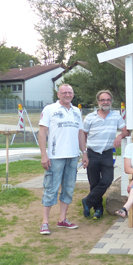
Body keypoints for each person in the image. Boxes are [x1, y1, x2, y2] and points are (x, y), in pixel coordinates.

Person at [38, 84, 88, 235]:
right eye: (64, 92)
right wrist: (43, 155)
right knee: (51, 188)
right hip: (55, 157)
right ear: (58, 94)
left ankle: (62, 219)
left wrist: (84, 152)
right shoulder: (49, 109)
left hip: (72, 156)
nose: (67, 95)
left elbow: (80, 133)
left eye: (70, 92)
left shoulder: (76, 111)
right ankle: (45, 222)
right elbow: (42, 133)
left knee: (68, 188)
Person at [82, 90, 129, 219]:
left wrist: (120, 135)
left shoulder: (116, 116)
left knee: (107, 180)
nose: (105, 102)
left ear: (111, 101)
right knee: (94, 183)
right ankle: (98, 209)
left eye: (108, 100)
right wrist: (84, 153)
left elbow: (126, 131)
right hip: (92, 153)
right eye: (102, 100)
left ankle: (87, 201)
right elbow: (83, 135)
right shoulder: (90, 117)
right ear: (98, 102)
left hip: (107, 153)